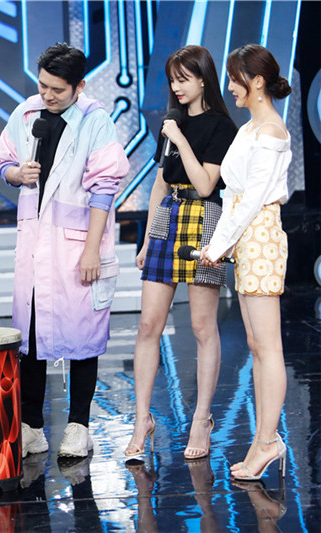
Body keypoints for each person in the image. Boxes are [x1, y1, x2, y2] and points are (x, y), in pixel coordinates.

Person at [0, 43, 129, 459]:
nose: (47, 96)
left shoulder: (96, 121)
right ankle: (32, 427)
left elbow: (105, 189)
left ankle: (78, 427)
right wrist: (16, 173)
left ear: (79, 86)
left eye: (57, 89)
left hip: (77, 245)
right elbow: (3, 162)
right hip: (36, 245)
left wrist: (91, 251)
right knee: (31, 339)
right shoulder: (26, 113)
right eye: (43, 86)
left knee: (83, 336)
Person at [124, 46, 238, 461]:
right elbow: (160, 182)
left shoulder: (221, 126)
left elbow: (206, 185)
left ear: (203, 79)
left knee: (202, 326)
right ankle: (142, 420)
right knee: (148, 325)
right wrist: (147, 239)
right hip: (168, 216)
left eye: (183, 79)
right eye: (172, 79)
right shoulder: (171, 123)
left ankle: (201, 419)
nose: (176, 86)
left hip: (205, 218)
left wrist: (180, 139)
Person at [200, 44, 292, 481]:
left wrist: (217, 246)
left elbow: (252, 199)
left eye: (236, 79)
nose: (230, 87)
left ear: (256, 81)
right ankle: (263, 440)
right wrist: (222, 243)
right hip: (246, 237)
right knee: (257, 345)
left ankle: (268, 442)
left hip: (260, 235)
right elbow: (235, 195)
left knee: (267, 346)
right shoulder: (252, 128)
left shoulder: (271, 131)